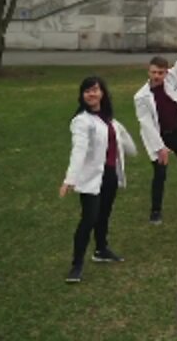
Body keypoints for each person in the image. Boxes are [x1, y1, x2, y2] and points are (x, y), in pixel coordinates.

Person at [60, 77, 137, 283]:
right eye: (87, 91)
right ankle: (76, 265)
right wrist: (70, 179)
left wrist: (134, 149)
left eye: (95, 90)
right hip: (91, 179)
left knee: (104, 214)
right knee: (89, 219)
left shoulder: (109, 119)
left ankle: (101, 249)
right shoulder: (81, 121)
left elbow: (121, 136)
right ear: (82, 95)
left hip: (110, 175)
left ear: (102, 93)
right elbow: (79, 150)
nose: (91, 94)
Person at [133, 14, 177, 225]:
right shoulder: (141, 96)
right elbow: (146, 124)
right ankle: (155, 211)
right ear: (149, 71)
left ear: (166, 73)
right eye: (154, 72)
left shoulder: (173, 77)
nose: (157, 76)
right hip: (158, 137)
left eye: (161, 73)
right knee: (160, 174)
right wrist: (160, 148)